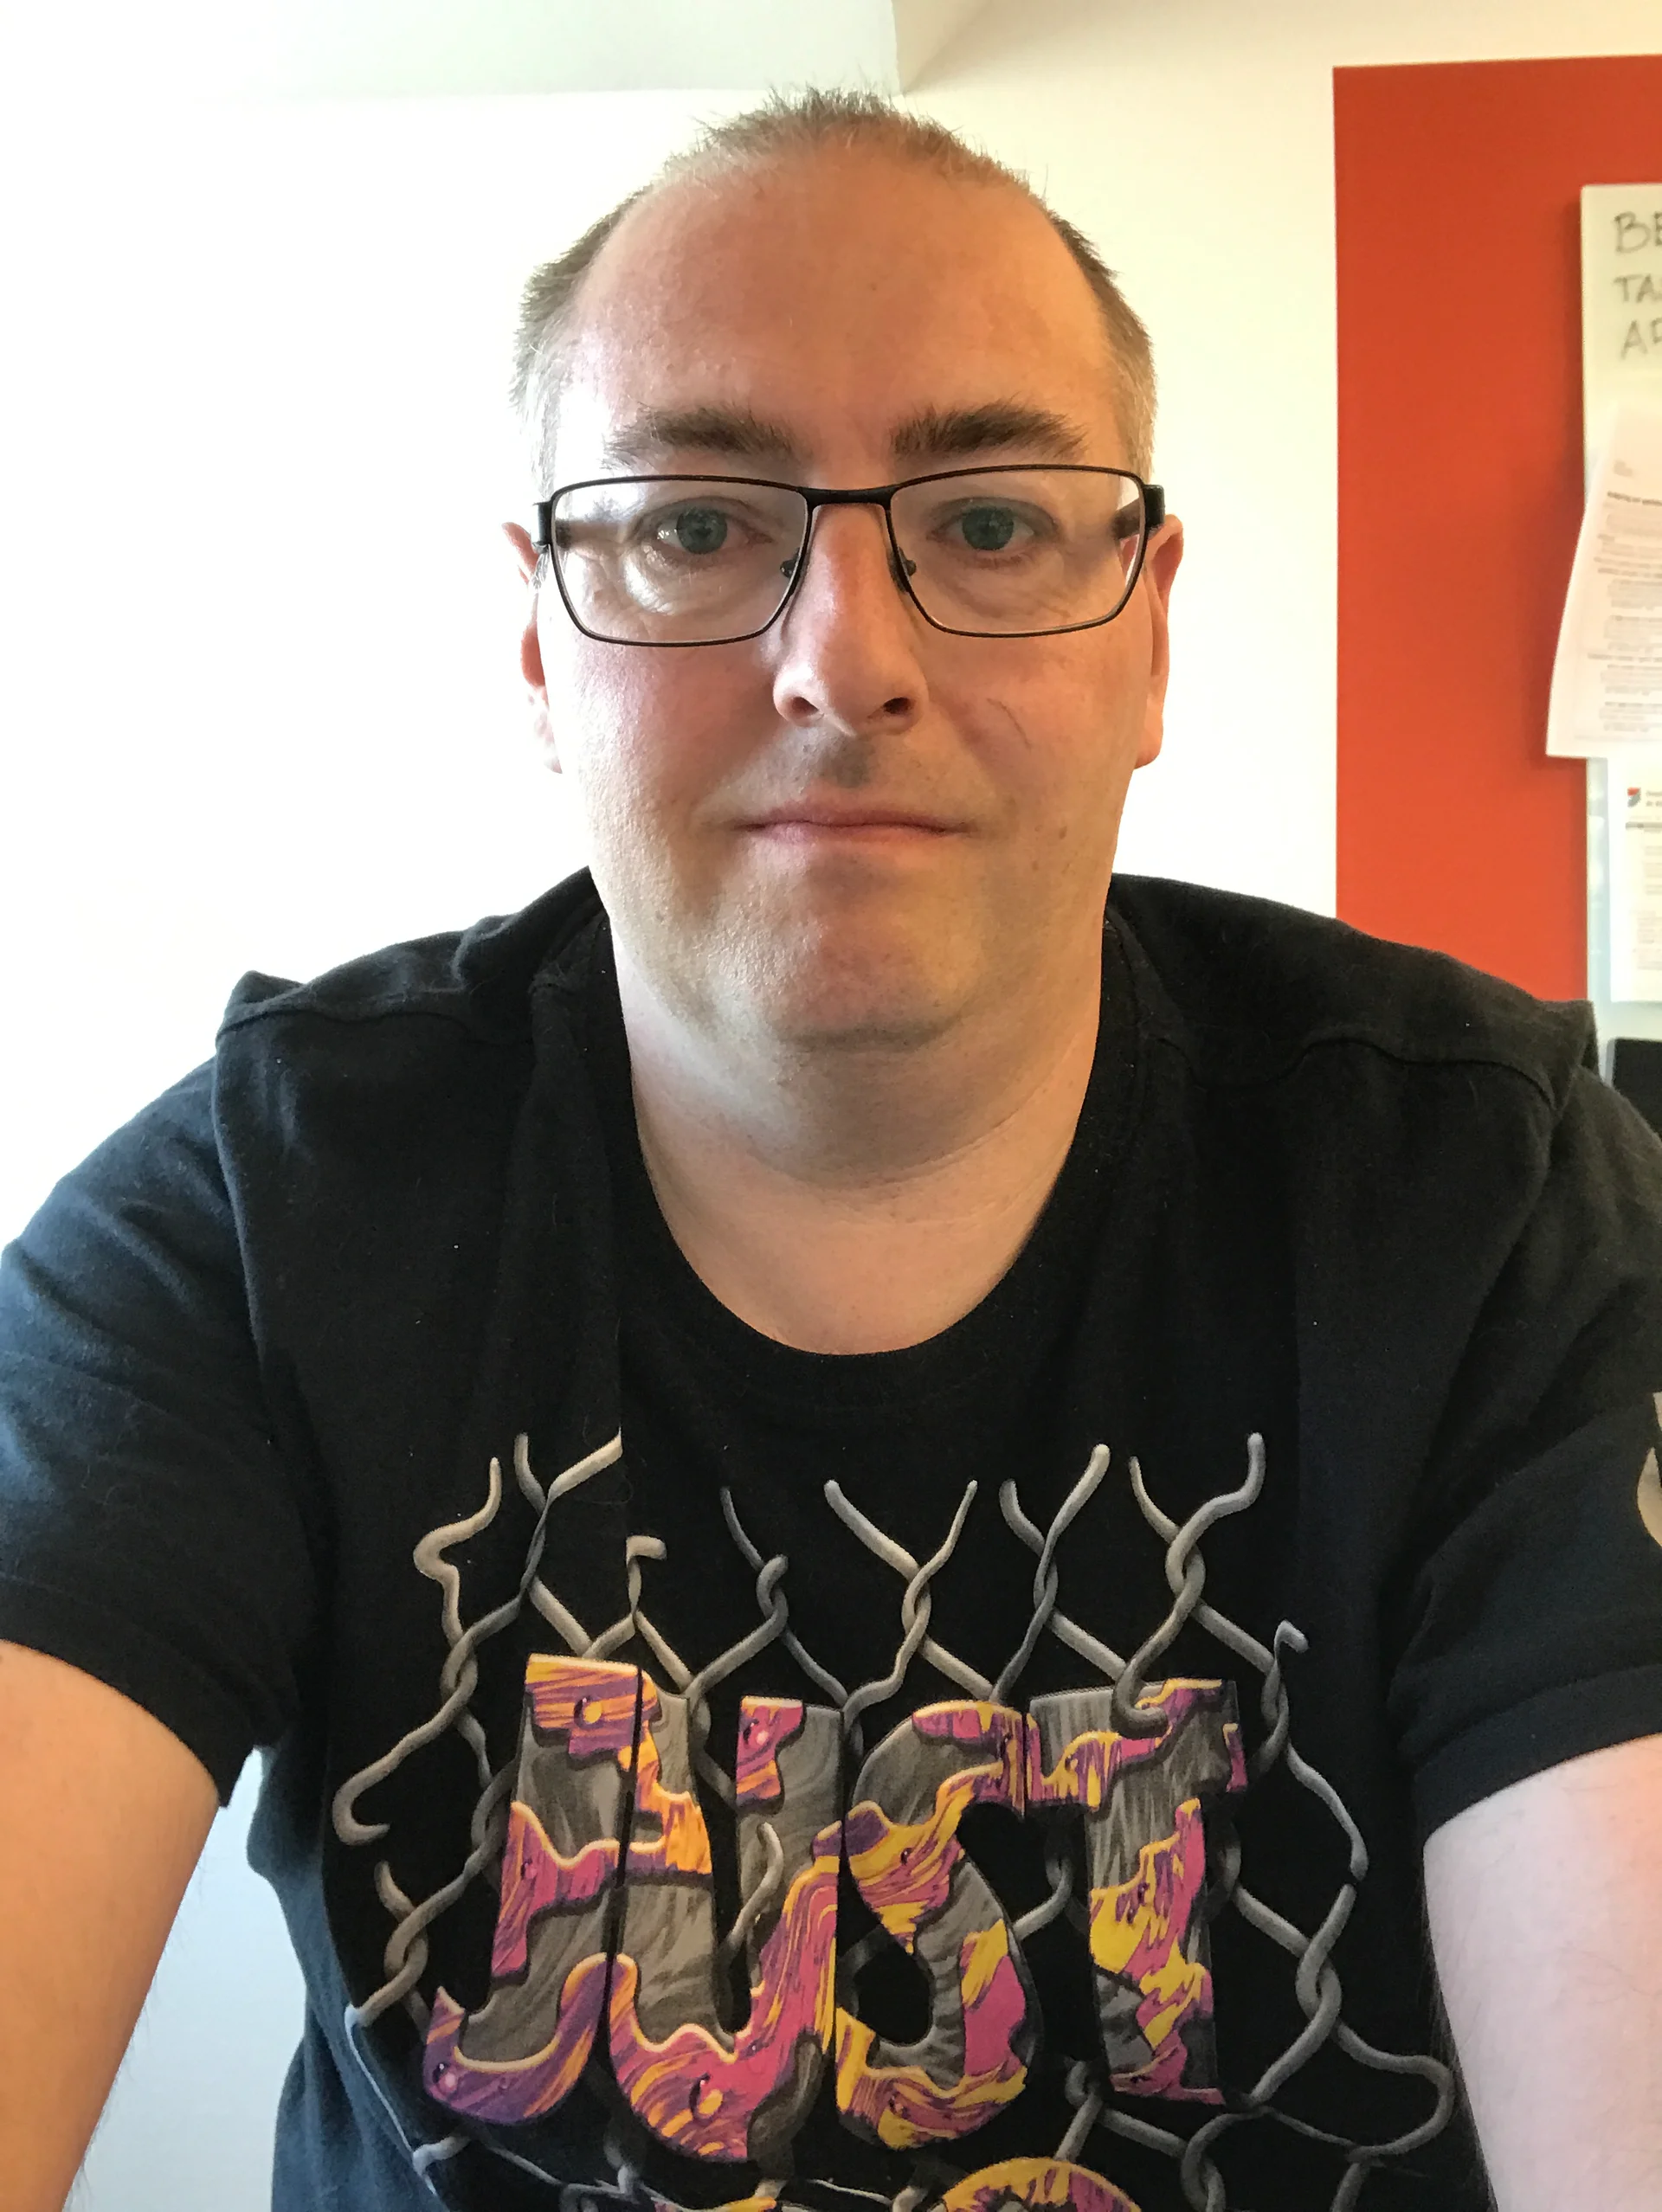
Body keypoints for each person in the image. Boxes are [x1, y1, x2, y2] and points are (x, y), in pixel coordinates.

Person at [3, 89, 1661, 2212]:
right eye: (697, 525)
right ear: (543, 640)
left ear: (1147, 630)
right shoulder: (256, 1221)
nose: (845, 660)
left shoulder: (1493, 1206)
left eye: (990, 524)